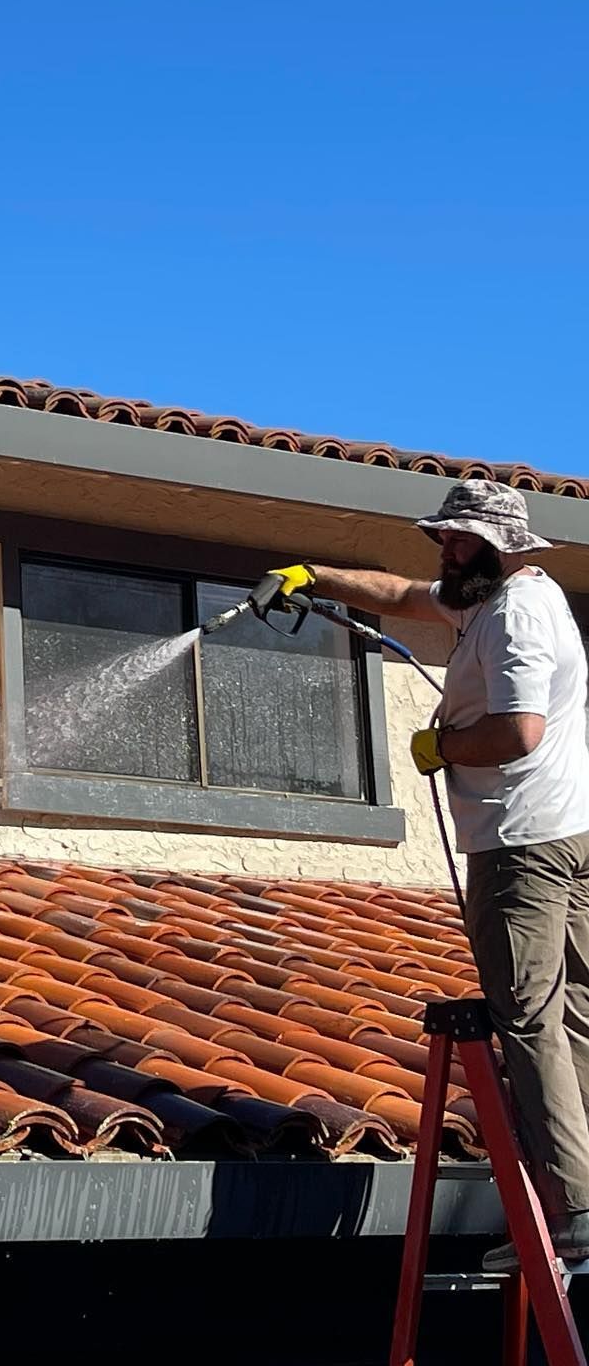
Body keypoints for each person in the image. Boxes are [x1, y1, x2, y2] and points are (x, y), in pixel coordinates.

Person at [268, 479, 589, 1270]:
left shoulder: (514, 616)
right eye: (442, 536)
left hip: (523, 848)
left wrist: (439, 747)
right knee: (575, 1011)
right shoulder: (496, 595)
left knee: (529, 1020)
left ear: (500, 544)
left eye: (458, 538)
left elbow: (518, 729)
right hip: (569, 834)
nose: (443, 549)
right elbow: (409, 594)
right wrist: (316, 575)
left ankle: (573, 1214)